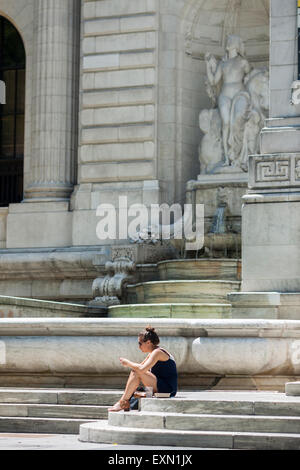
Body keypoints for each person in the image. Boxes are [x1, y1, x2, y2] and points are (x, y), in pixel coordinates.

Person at [108, 326, 178, 412]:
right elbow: (139, 369)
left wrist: (128, 363)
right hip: (159, 386)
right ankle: (125, 401)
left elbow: (141, 369)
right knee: (136, 371)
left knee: (137, 371)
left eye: (140, 343)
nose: (139, 347)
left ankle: (122, 402)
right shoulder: (153, 353)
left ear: (148, 342)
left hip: (167, 390)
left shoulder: (158, 352)